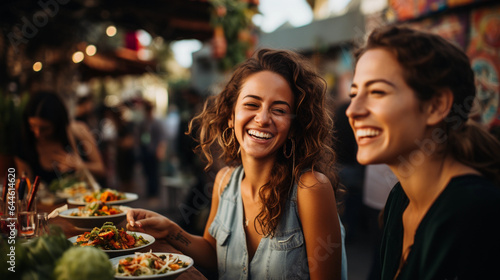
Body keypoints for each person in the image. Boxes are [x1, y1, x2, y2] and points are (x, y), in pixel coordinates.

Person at [127, 48, 348, 279]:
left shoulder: (310, 188)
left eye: (279, 110)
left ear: (293, 128)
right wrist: (171, 230)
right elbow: (214, 254)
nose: (262, 119)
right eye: (252, 105)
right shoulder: (224, 181)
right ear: (231, 117)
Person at [347, 25, 500, 279]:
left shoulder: (474, 213)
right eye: (354, 94)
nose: (352, 110)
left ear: (436, 106)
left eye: (377, 92)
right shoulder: (399, 199)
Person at [14, 91, 105, 186]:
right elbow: (26, 182)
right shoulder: (24, 141)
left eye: (44, 128)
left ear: (57, 123)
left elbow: (101, 170)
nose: (37, 133)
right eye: (32, 126)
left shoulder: (77, 131)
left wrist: (81, 166)